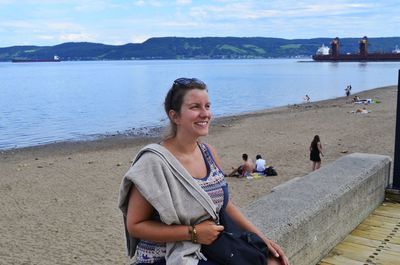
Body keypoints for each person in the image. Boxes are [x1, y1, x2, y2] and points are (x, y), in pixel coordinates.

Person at [118, 77, 289, 265]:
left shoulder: (208, 153)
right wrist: (193, 233)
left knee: (273, 261)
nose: (205, 114)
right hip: (165, 256)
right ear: (174, 116)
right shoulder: (153, 163)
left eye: (207, 106)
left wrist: (262, 238)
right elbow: (135, 226)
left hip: (209, 247)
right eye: (195, 107)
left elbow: (224, 203)